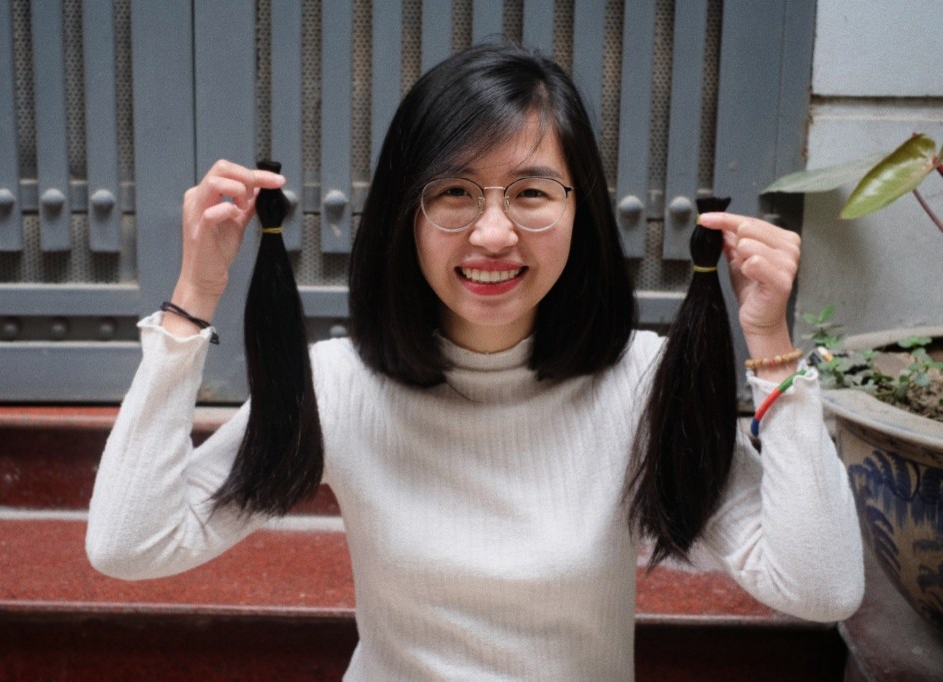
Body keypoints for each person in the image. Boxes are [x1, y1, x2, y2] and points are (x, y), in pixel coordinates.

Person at [86, 43, 864, 680]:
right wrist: (192, 299)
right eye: (454, 192)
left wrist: (772, 351)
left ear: (581, 211)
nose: (493, 234)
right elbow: (131, 544)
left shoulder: (641, 386)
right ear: (406, 213)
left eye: (532, 193)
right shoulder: (340, 388)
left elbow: (821, 587)